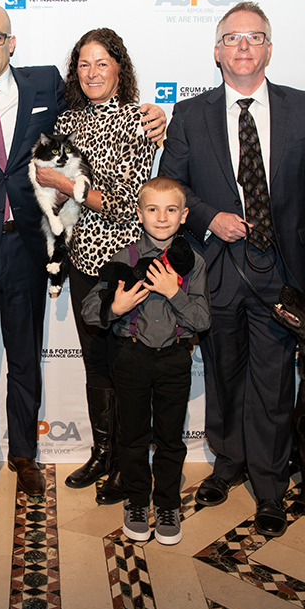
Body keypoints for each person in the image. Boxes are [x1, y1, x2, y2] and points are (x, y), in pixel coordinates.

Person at [0, 3, 165, 505]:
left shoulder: (45, 86)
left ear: (12, 42)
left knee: (24, 361)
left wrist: (157, 115)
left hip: (26, 249)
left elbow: (104, 91)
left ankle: (24, 456)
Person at [159, 1, 305, 537]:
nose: (243, 46)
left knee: (272, 380)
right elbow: (172, 188)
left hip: (280, 272)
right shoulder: (190, 115)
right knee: (223, 372)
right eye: (232, 38)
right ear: (216, 52)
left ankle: (269, 483)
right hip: (216, 270)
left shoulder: (303, 109)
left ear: (268, 49)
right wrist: (211, 217)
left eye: (254, 37)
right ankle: (228, 463)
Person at [32, 28, 157, 505]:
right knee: (96, 364)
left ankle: (129, 464)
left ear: (119, 69)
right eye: (84, 64)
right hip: (82, 260)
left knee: (126, 366)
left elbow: (126, 205)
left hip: (122, 263)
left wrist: (67, 185)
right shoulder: (68, 121)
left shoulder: (137, 121)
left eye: (102, 63)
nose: (92, 72)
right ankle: (103, 452)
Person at [81, 177, 210, 545]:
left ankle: (167, 503)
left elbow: (202, 321)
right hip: (132, 357)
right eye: (152, 209)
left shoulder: (194, 263)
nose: (162, 217)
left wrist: (174, 293)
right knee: (132, 435)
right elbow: (91, 309)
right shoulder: (125, 258)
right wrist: (115, 307)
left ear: (184, 216)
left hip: (174, 359)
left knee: (170, 438)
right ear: (139, 215)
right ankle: (137, 500)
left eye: (171, 210)